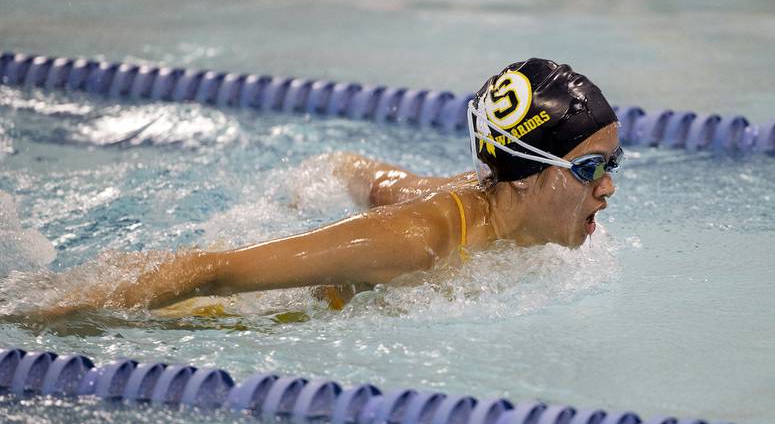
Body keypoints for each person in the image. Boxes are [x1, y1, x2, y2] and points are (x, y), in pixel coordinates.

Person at [41, 57, 623, 317]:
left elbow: (380, 180)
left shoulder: (486, 193)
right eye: (590, 169)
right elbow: (212, 270)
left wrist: (329, 172)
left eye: (612, 165)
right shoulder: (418, 243)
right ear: (526, 176)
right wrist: (35, 309)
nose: (608, 190)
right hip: (216, 317)